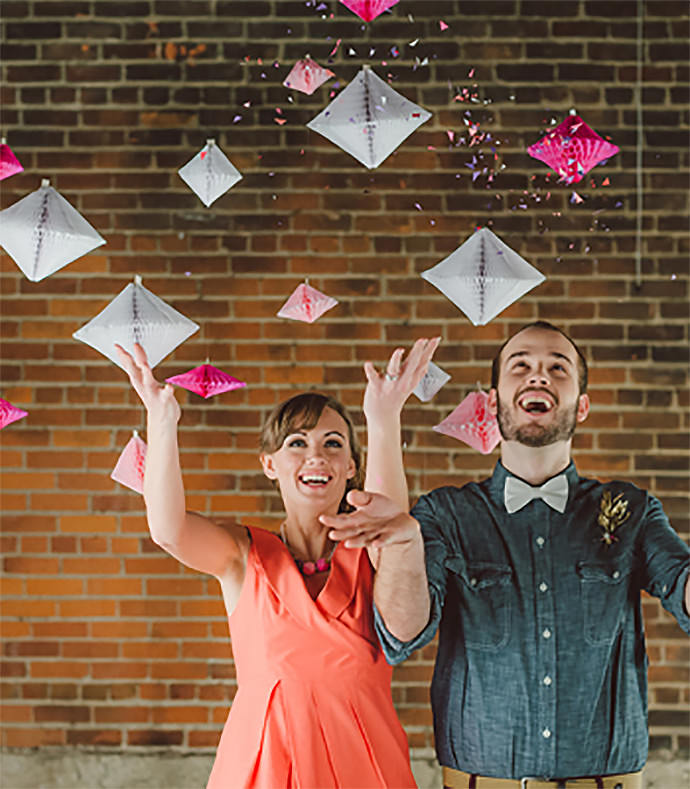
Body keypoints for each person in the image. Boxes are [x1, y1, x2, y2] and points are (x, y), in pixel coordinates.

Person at [322, 322, 690, 789]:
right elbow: (401, 634)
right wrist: (402, 540)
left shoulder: (631, 511)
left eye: (558, 368)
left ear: (583, 406)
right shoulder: (446, 514)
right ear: (492, 402)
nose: (539, 376)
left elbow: (683, 585)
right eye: (521, 366)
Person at [115, 341, 432, 789]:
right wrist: (162, 421)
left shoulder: (371, 550)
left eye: (333, 443)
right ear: (270, 464)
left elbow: (389, 516)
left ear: (350, 468)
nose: (316, 455)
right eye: (296, 443)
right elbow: (169, 532)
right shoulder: (242, 554)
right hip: (262, 765)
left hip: (364, 761)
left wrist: (384, 418)